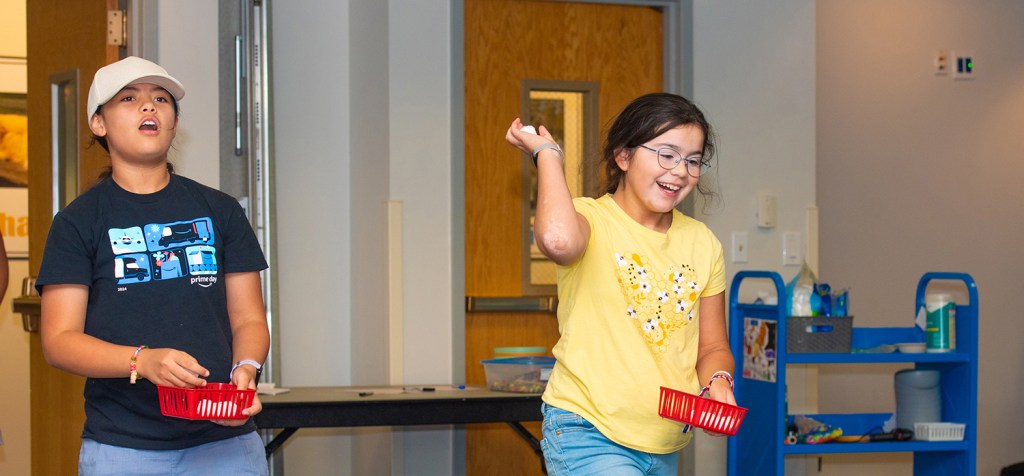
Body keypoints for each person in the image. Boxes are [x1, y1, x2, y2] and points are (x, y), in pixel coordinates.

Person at [35, 57, 269, 475]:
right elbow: (59, 340)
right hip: (124, 449)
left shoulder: (220, 210)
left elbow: (250, 317)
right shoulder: (78, 221)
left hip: (227, 444)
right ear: (98, 124)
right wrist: (140, 361)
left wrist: (245, 369)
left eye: (160, 99)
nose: (149, 107)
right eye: (129, 98)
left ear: (174, 122)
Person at [505, 92, 736, 475]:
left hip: (663, 443)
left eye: (692, 160)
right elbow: (559, 241)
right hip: (587, 430)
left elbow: (712, 346)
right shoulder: (590, 219)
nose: (680, 170)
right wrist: (547, 154)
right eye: (666, 154)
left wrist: (718, 380)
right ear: (623, 156)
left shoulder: (703, 243)